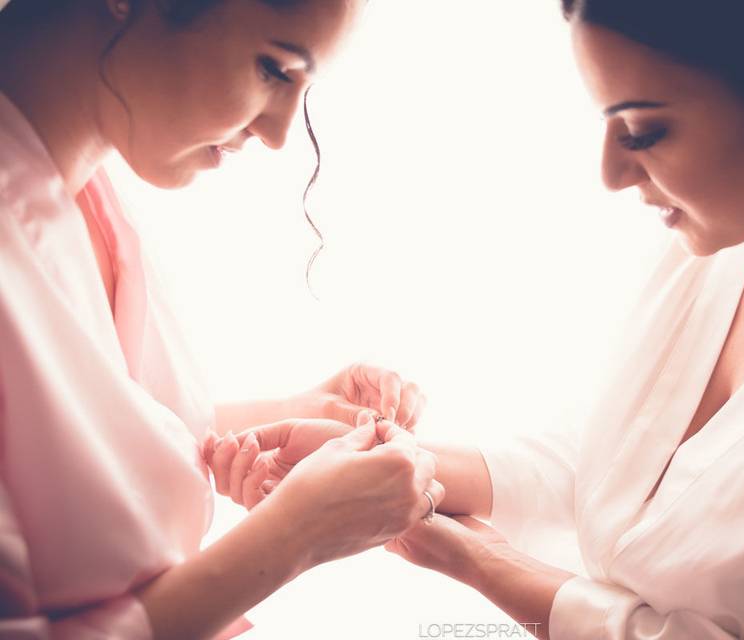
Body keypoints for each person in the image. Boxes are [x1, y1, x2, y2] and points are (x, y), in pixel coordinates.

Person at [214, 1, 744, 638]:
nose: (610, 173)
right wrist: (401, 468)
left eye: (643, 132)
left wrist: (470, 558)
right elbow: (614, 466)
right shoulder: (724, 238)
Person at [0, 1, 443, 638]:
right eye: (273, 68)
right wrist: (295, 536)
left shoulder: (92, 184)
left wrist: (290, 413)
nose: (280, 133)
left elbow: (64, 438)